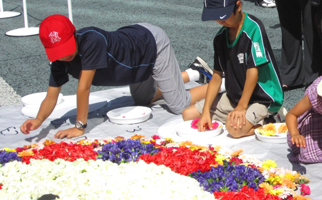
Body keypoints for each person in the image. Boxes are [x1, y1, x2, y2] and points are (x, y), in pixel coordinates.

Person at [20, 15, 206, 139]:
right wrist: (38, 120)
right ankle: (194, 72)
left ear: (74, 34)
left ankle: (220, 82)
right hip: (134, 63)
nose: (65, 56)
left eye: (67, 47)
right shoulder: (59, 60)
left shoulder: (91, 41)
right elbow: (51, 95)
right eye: (59, 52)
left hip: (150, 44)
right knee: (144, 100)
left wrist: (79, 126)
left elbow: (84, 88)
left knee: (179, 105)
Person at [183, 0, 284, 138]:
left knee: (234, 130)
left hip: (261, 98)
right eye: (215, 17)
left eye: (223, 16)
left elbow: (253, 71)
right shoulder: (220, 38)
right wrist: (205, 112)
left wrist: (242, 107)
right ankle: (238, 115)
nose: (220, 21)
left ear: (238, 6)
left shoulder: (253, 28)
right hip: (233, 97)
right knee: (188, 115)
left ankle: (269, 119)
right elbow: (216, 76)